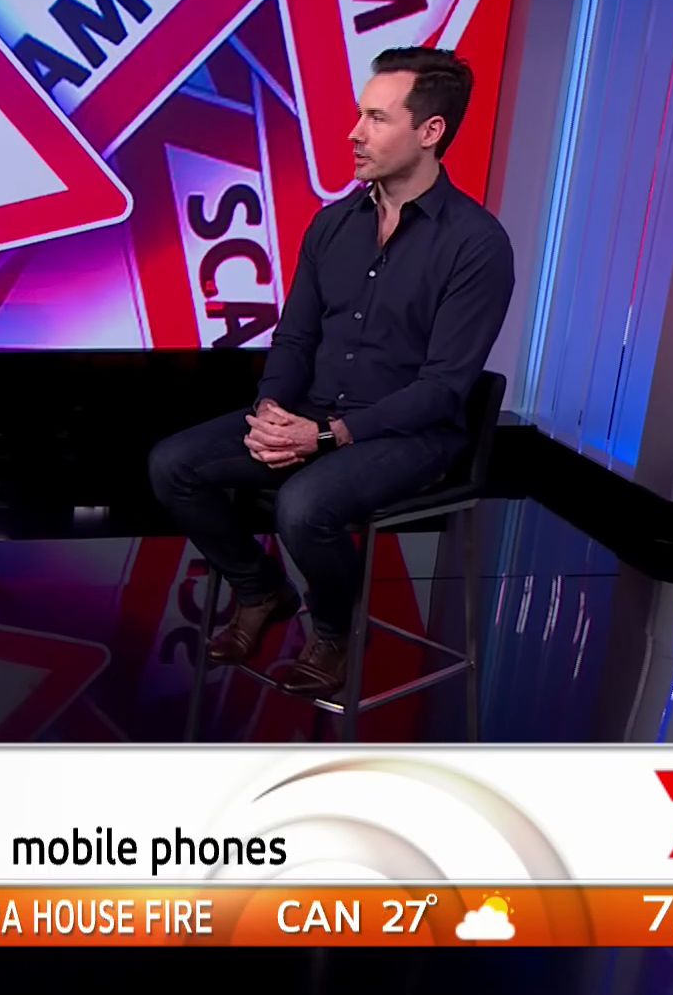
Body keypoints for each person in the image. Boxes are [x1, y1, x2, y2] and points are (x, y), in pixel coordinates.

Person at [147, 47, 513, 698]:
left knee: (304, 505)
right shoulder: (333, 225)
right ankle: (261, 591)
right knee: (173, 463)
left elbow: (443, 389)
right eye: (359, 114)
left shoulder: (476, 245)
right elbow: (296, 337)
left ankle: (337, 630)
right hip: (314, 412)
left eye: (377, 118)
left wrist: (323, 437)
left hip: (413, 434)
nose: (354, 132)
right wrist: (270, 413)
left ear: (430, 132)